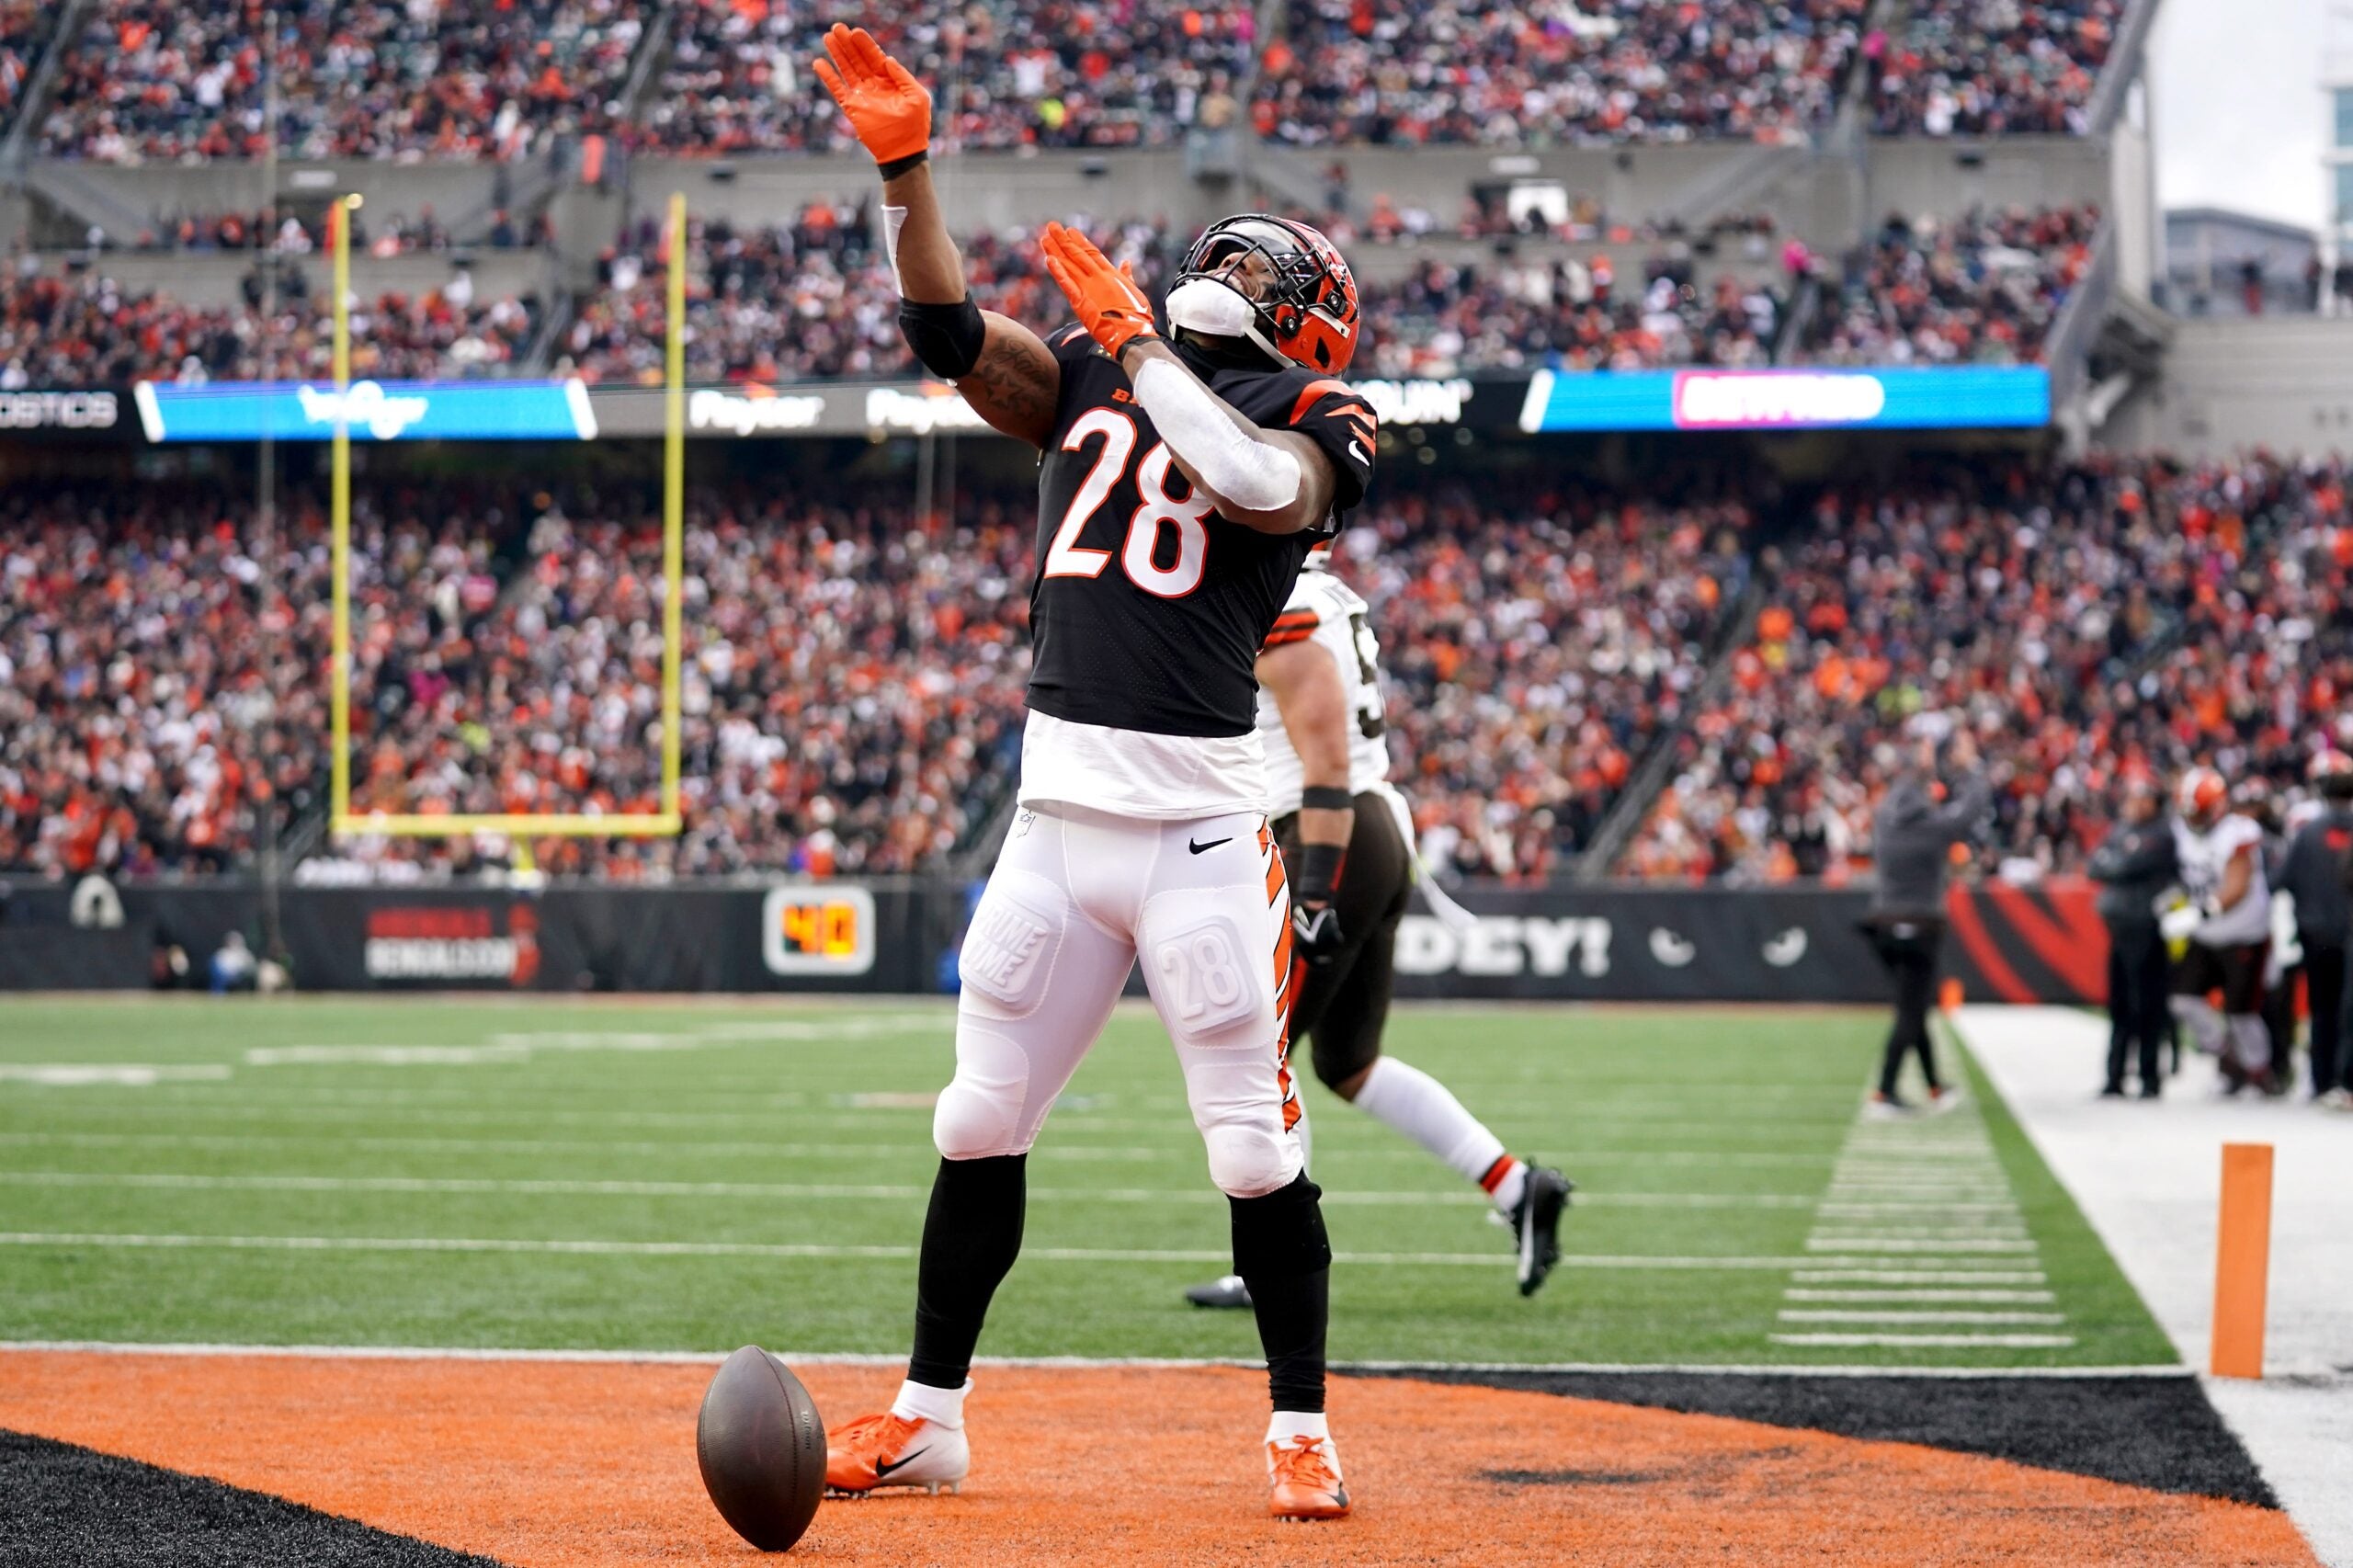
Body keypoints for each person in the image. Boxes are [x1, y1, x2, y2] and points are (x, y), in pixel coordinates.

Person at [810, 26, 1376, 1521]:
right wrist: (905, 176)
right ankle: (931, 1414)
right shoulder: (1082, 371)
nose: (1242, 283)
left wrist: (1134, 345)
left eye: (1267, 276)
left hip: (1196, 827)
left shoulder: (1317, 421)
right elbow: (947, 337)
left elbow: (1256, 486)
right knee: (974, 1118)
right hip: (1057, 820)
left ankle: (1300, 1429)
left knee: (1252, 1148)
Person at [1182, 554, 1572, 1312]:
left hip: (1325, 833)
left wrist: (1317, 880)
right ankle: (1518, 1186)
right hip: (1378, 827)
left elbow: (1320, 753)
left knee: (1258, 1057)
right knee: (1349, 1062)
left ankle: (1275, 1263)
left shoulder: (1280, 590)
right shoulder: (1329, 589)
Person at [1860, 728, 1989, 1117]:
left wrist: (1917, 768)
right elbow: (1972, 807)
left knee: (1911, 1007)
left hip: (1883, 924)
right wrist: (1970, 768)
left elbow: (1902, 789)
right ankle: (1884, 1090)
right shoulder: (1932, 826)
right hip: (1920, 926)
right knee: (1911, 1012)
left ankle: (1933, 1086)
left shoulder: (1884, 818)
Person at [2165, 767, 2277, 1095]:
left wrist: (2198, 912)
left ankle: (2259, 1073)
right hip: (2206, 934)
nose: (2191, 820)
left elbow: (2236, 887)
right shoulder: (2182, 831)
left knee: (2241, 1012)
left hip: (2243, 933)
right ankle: (2227, 1060)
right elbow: (2187, 877)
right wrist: (2173, 899)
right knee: (2183, 1000)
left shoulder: (2239, 832)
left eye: (2197, 813)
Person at [2088, 775, 2177, 1098]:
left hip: (2147, 928)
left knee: (2147, 1005)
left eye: (2144, 798)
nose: (2136, 804)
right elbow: (2094, 865)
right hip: (2120, 927)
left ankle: (2149, 1077)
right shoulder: (2122, 829)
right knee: (2120, 1005)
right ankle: (2114, 1077)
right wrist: (2114, 862)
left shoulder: (2161, 834)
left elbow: (2124, 865)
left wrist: (2114, 862)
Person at [2276, 753, 2353, 1107]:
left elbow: (2284, 879)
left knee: (2321, 1009)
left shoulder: (2308, 833)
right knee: (2347, 1009)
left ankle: (2320, 1081)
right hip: (2348, 933)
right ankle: (2344, 1080)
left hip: (2315, 934)